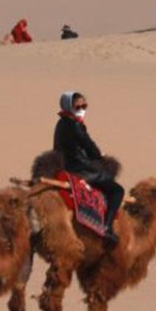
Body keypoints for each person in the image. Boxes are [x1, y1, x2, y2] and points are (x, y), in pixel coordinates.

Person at [54, 91, 124, 244]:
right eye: (77, 105)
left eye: (84, 105)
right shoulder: (74, 124)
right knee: (118, 190)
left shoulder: (61, 123)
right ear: (68, 105)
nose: (81, 108)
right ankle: (107, 227)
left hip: (67, 165)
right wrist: (99, 156)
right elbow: (88, 145)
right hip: (80, 169)